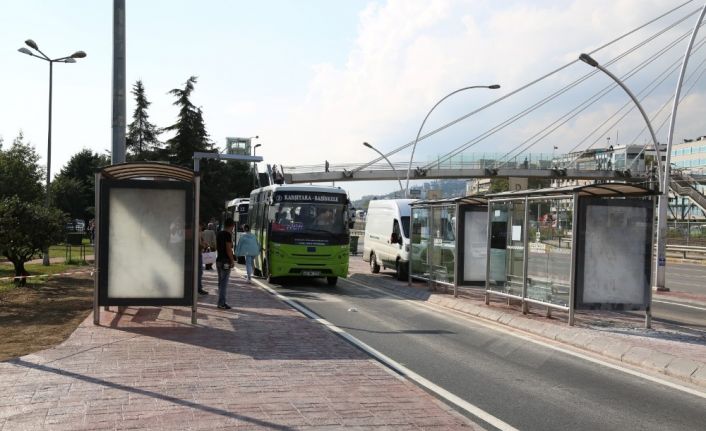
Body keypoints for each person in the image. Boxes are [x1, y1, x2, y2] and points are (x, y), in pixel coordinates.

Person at [216, 218, 236, 309]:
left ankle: (220, 301)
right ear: (232, 226)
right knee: (224, 283)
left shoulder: (219, 233)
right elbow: (229, 249)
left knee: (220, 282)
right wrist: (232, 260)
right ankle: (222, 302)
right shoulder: (227, 235)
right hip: (225, 261)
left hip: (219, 260)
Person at [197, 222, 209, 295]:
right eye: (200, 226)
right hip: (197, 254)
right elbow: (199, 245)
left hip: (198, 254)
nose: (201, 227)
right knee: (199, 272)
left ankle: (199, 287)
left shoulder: (199, 233)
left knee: (199, 272)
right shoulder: (198, 233)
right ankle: (198, 288)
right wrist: (204, 246)